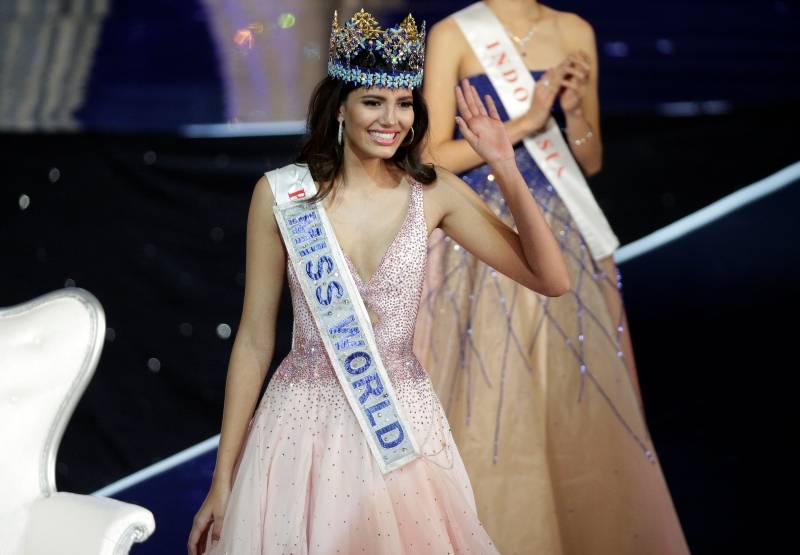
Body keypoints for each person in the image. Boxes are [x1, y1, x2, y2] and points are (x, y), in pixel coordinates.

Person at [187, 8, 570, 554]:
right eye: (373, 101)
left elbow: (551, 279)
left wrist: (505, 168)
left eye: (404, 102)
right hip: (298, 427)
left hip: (401, 425)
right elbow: (252, 338)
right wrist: (222, 481)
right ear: (340, 108)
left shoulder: (432, 192)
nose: (391, 118)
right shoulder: (280, 195)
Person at [415, 1, 690, 553]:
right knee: (491, 405)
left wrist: (572, 113)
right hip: (485, 236)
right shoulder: (453, 34)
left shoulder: (575, 30)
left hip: (564, 231)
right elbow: (429, 156)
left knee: (577, 404)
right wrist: (525, 123)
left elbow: (588, 160)